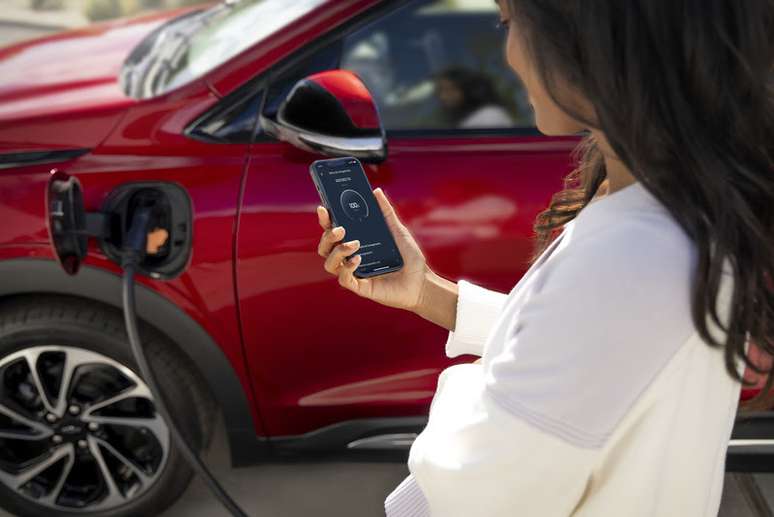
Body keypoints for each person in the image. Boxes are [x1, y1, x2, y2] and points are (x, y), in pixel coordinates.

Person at [315, 0, 773, 515]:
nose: (508, 54)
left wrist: (470, 385)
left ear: (593, 37)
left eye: (509, 23)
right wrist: (428, 293)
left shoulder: (632, 255)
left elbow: (482, 483)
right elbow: (588, 353)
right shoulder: (680, 213)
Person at [433, 66, 514, 128]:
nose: (443, 96)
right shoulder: (462, 121)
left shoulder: (489, 115)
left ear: (466, 88)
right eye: (440, 91)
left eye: (449, 89)